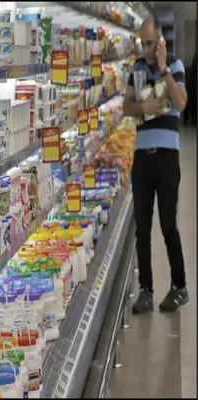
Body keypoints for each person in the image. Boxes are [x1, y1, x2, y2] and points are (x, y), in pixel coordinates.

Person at [122, 18, 188, 314]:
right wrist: (143, 108)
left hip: (167, 156)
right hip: (142, 157)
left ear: (160, 41)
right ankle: (146, 291)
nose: (146, 49)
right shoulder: (136, 67)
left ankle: (179, 286)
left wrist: (163, 70)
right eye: (143, 43)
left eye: (150, 43)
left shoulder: (175, 65)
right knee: (143, 228)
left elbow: (181, 102)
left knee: (168, 225)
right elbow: (127, 106)